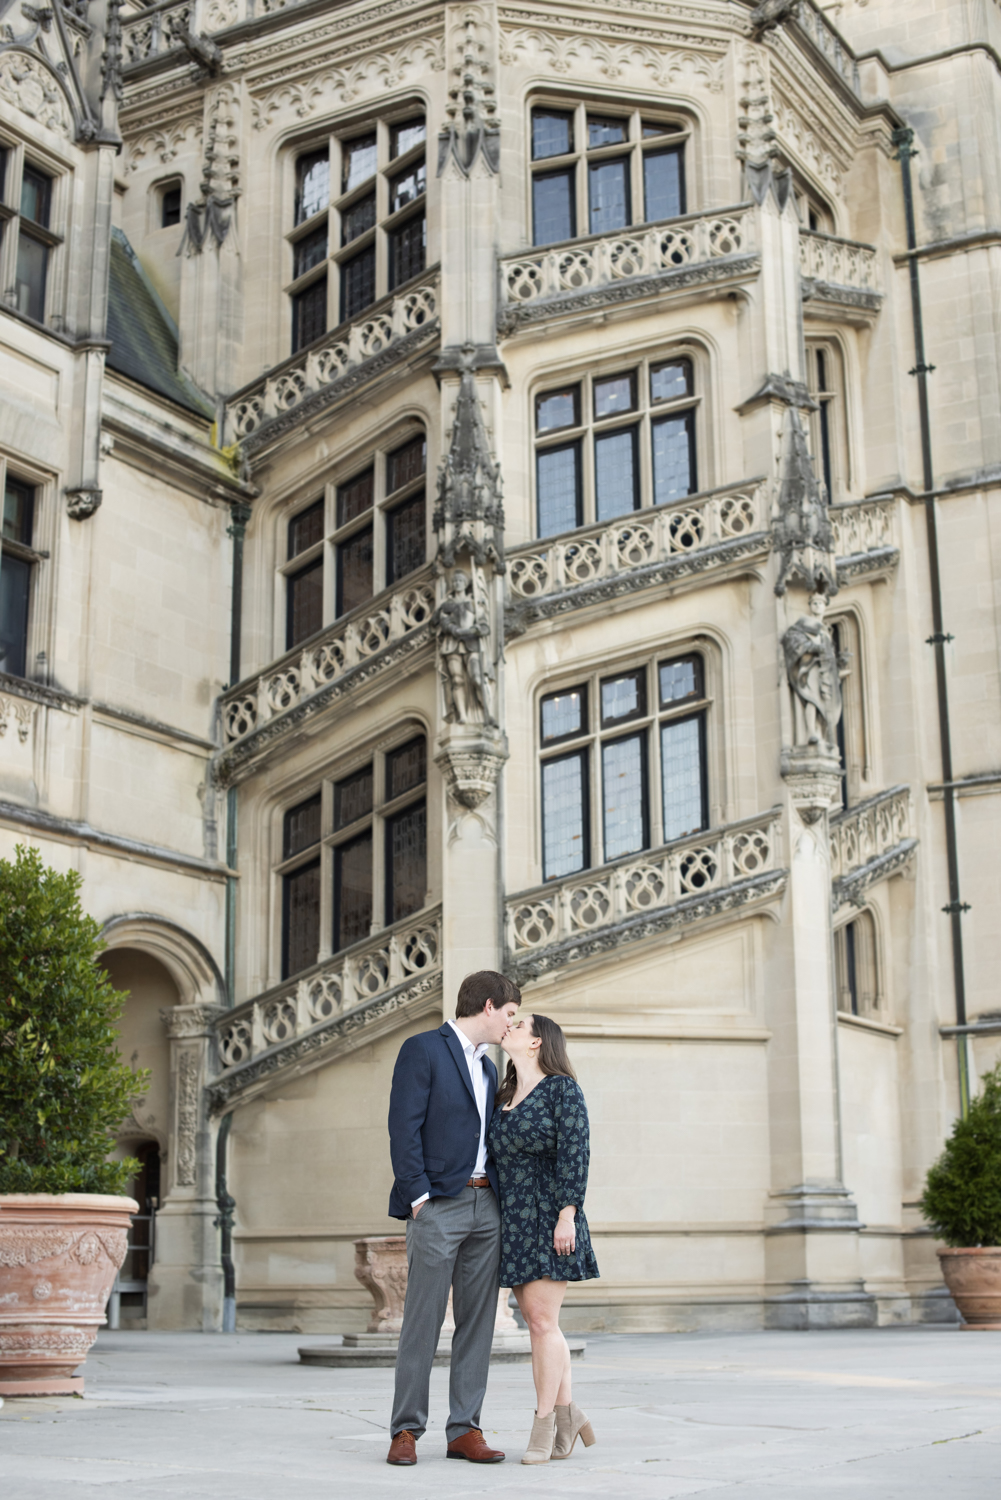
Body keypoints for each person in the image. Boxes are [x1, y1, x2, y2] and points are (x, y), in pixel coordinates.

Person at [385, 970, 522, 1467]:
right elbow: (403, 1127)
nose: (512, 1024)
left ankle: (465, 1429)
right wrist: (418, 1196)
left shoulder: (488, 1069)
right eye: (510, 1014)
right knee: (421, 1320)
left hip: (488, 1207)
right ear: (488, 1006)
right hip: (438, 1204)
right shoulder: (422, 1049)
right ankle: (405, 1429)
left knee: (479, 1322)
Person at [487, 1013, 600, 1465]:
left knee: (541, 1324)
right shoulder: (504, 1094)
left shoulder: (562, 1090)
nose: (508, 1027)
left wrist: (568, 1214)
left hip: (552, 1219)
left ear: (537, 1041)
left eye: (518, 1024)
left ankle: (543, 1424)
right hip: (512, 1220)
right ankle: (569, 1414)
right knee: (541, 1325)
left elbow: (578, 1152)